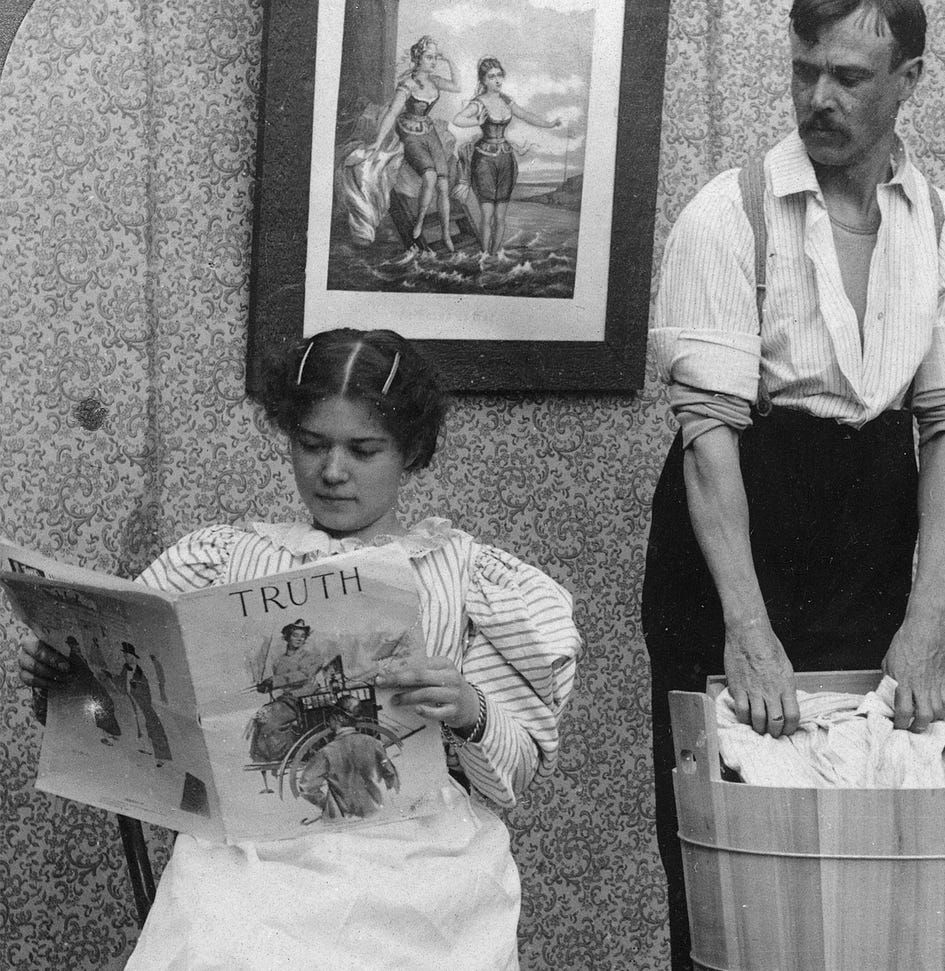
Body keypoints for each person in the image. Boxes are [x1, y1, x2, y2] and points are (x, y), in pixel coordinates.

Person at [18, 327, 581, 969]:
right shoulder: (224, 560)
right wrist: (67, 680)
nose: (333, 472)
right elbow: (125, 726)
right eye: (312, 445)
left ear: (411, 451)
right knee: (225, 941)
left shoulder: (472, 578)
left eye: (363, 450)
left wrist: (469, 707)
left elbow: (512, 778)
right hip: (250, 856)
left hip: (416, 856)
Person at [639, 1, 945, 966]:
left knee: (870, 837)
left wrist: (929, 618)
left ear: (909, 81)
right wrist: (747, 629)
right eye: (805, 71)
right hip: (732, 539)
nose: (819, 97)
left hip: (870, 533)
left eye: (848, 76)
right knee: (730, 854)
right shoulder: (727, 215)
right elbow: (707, 438)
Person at [451, 56, 564, 260]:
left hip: (506, 161)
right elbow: (458, 119)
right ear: (483, 80)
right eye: (491, 76)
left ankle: (494, 256)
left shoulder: (506, 100)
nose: (497, 80)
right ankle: (484, 256)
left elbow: (526, 115)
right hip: (484, 161)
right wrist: (477, 122)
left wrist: (549, 124)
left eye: (499, 75)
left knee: (501, 216)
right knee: (487, 215)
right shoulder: (479, 103)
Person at [369, 35, 462, 253]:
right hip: (409, 133)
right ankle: (419, 222)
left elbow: (457, 86)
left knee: (443, 185)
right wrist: (377, 142)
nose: (434, 61)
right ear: (418, 59)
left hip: (429, 131)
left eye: (436, 57)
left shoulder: (435, 81)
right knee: (429, 177)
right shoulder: (408, 85)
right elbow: (392, 113)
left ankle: (446, 234)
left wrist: (449, 60)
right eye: (429, 57)